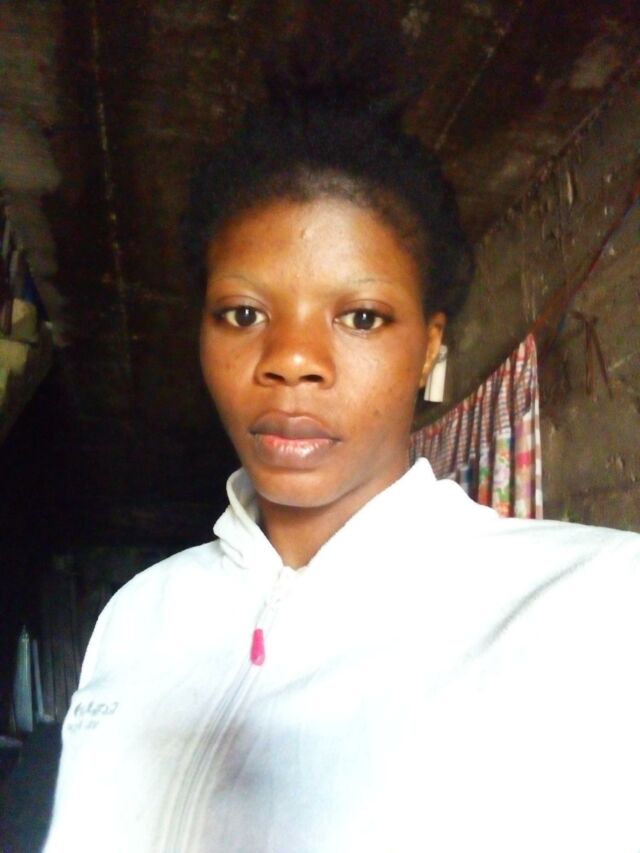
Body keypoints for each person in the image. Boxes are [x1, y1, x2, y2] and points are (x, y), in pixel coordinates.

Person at [45, 5, 639, 852]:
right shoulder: (138, 615)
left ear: (428, 346)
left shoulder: (595, 605)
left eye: (360, 316)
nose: (292, 359)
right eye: (243, 313)